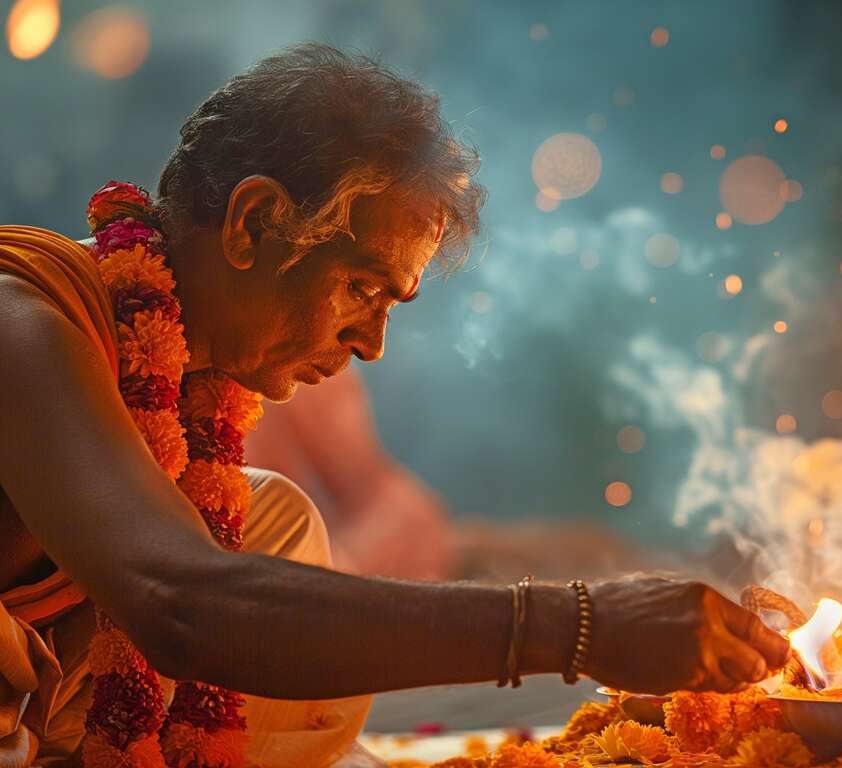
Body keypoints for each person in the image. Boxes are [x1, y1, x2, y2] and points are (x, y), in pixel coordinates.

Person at [0, 44, 789, 768]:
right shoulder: (21, 324)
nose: (373, 342)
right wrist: (578, 626)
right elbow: (180, 607)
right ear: (254, 222)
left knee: (273, 526)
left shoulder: (181, 378)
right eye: (362, 288)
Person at [246, 366, 651, 583]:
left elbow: (368, 484)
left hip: (373, 555)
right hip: (330, 580)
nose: (374, 346)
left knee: (567, 553)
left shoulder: (294, 363)